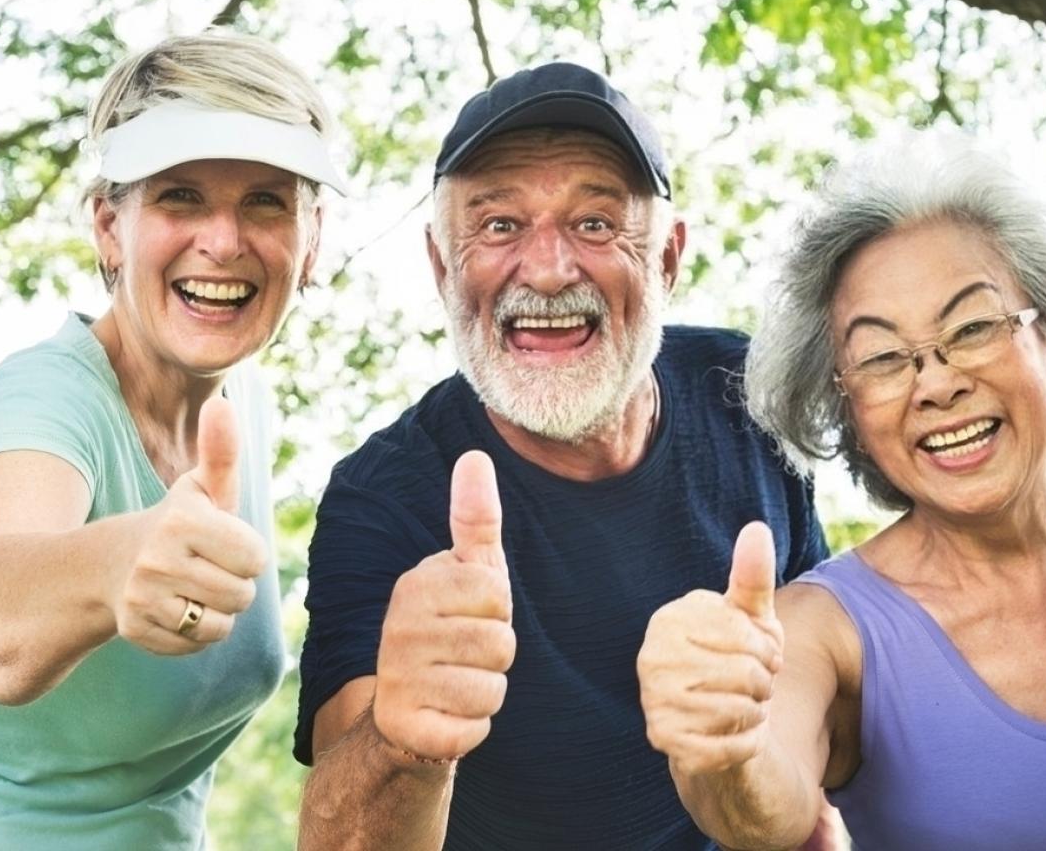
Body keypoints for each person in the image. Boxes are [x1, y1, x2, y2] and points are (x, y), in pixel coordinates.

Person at [293, 62, 830, 850]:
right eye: (500, 225)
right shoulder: (384, 494)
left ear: (668, 260)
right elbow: (334, 838)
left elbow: (817, 736)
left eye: (596, 223)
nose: (547, 270)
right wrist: (404, 740)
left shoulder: (748, 400)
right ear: (444, 268)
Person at [637, 134, 1046, 851]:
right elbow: (764, 812)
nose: (936, 384)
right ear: (852, 416)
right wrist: (720, 750)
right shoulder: (823, 627)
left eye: (972, 328)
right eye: (881, 358)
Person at [0, 30, 335, 849]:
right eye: (180, 196)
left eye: (266, 200)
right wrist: (116, 562)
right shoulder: (44, 399)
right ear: (110, 227)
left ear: (311, 241)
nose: (224, 240)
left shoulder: (242, 402)